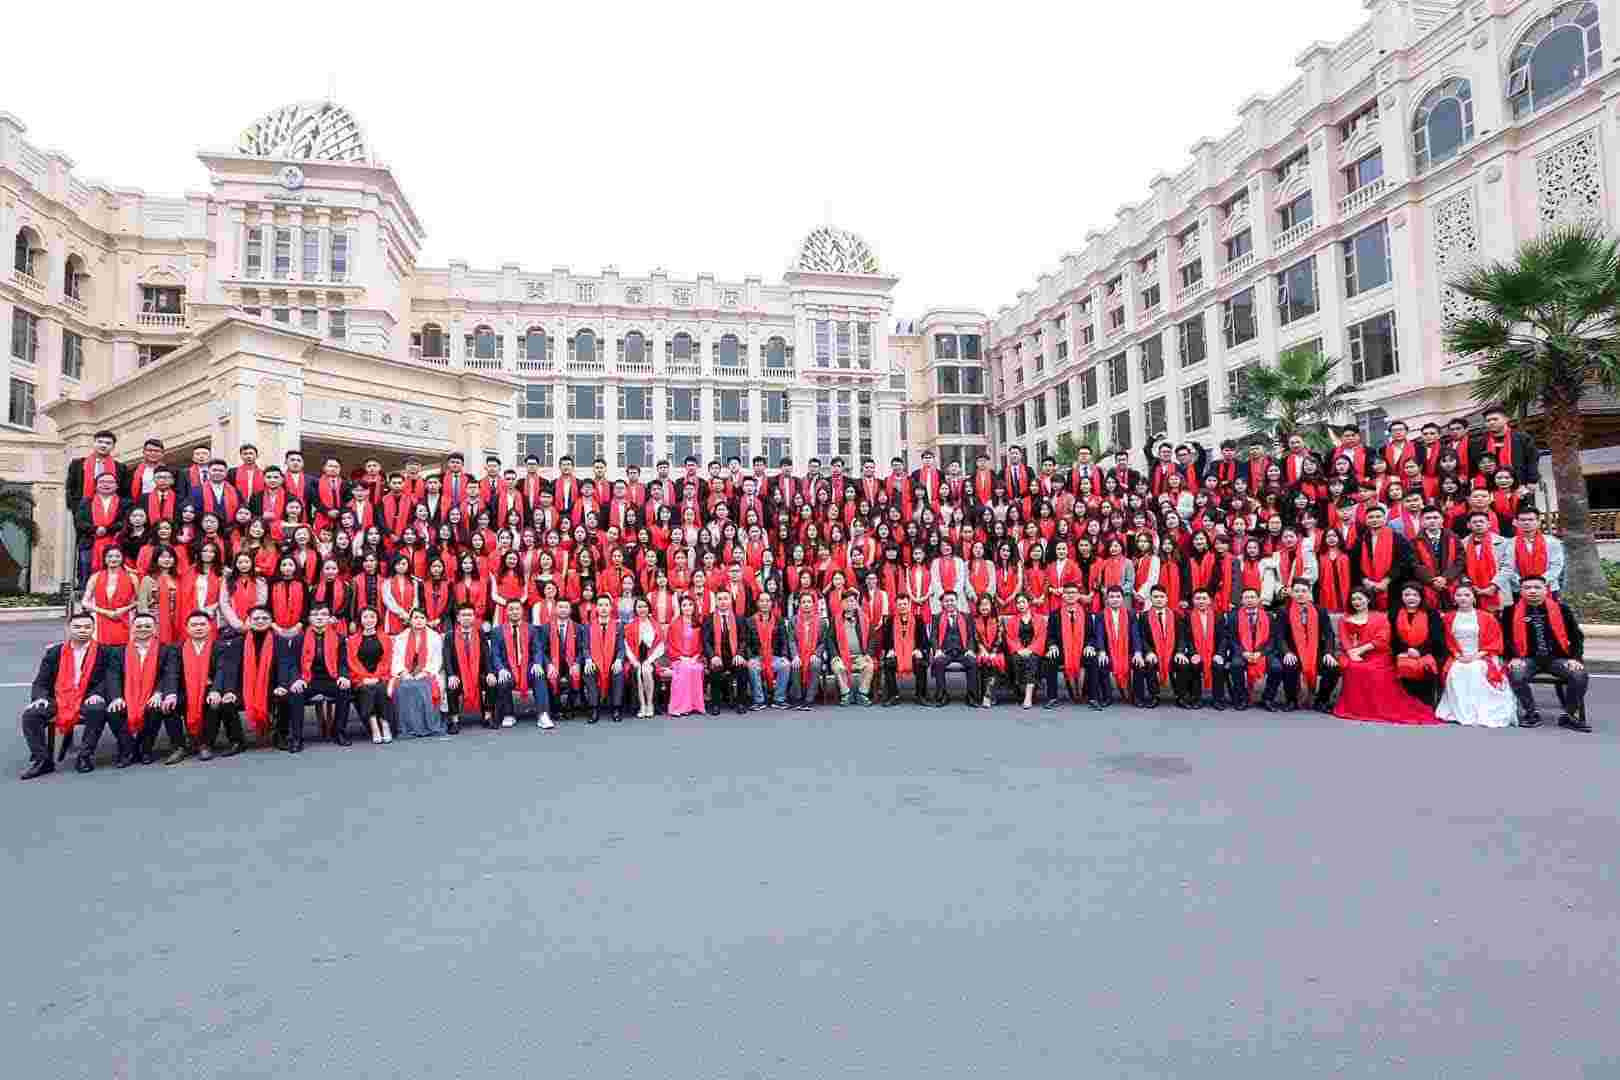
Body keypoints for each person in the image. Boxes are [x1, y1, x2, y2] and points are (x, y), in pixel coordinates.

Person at [18, 611, 122, 778]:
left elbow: (108, 678)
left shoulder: (105, 652)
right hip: (58, 697)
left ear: (93, 628)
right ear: (68, 628)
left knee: (97, 709)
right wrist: (40, 698)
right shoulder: (55, 652)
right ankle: (42, 760)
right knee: (31, 715)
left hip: (88, 696)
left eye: (87, 627)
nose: (82, 630)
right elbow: (41, 681)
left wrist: (98, 694)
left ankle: (85, 756)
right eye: (77, 627)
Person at [1333, 588, 1438, 725]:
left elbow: (1382, 639)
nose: (1356, 602)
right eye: (1353, 599)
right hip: (1351, 653)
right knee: (1352, 668)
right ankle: (1358, 708)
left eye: (1360, 598)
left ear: (1368, 599)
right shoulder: (1345, 619)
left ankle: (1377, 708)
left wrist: (1360, 650)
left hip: (1378, 654)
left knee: (1371, 670)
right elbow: (1344, 639)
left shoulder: (1380, 617)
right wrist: (1351, 652)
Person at [1504, 575, 1589, 732]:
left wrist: (1575, 658)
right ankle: (1531, 713)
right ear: (1521, 591)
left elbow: (1576, 637)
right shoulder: (1510, 611)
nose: (1532, 591)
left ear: (1546, 590)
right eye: (1527, 588)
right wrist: (1513, 657)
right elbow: (1506, 639)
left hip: (1557, 658)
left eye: (1537, 587)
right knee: (1516, 674)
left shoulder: (1562, 609)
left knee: (1579, 674)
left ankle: (1569, 715)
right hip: (1526, 658)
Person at [215, 605, 298, 749]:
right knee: (227, 701)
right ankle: (237, 741)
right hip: (244, 687)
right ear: (249, 621)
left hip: (271, 686)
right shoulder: (237, 642)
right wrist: (229, 691)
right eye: (256, 618)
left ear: (271, 621)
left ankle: (281, 735)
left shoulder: (280, 641)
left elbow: (286, 665)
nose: (260, 621)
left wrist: (282, 685)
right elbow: (231, 669)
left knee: (285, 696)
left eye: (265, 618)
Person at [1435, 583, 1516, 728]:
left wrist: (1477, 656)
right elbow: (1447, 641)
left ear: (1474, 598)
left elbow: (1495, 641)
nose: (1463, 598)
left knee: (1476, 669)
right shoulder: (1448, 618)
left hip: (1483, 654)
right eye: (1459, 595)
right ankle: (1460, 710)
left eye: (1467, 595)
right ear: (1454, 599)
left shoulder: (1487, 617)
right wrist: (1457, 655)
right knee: (1456, 671)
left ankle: (1481, 709)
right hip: (1458, 655)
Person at [112, 611, 185, 765]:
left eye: (147, 626)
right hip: (128, 694)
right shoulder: (119, 651)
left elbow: (169, 673)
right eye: (139, 626)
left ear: (155, 629)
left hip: (153, 693)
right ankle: (128, 750)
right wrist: (117, 697)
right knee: (115, 710)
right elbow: (113, 676)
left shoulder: (167, 650)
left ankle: (146, 749)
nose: (143, 629)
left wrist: (159, 693)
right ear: (132, 628)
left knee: (154, 708)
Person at [288, 603, 351, 745]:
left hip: (331, 678)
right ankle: (296, 737)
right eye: (315, 615)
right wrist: (296, 679)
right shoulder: (299, 639)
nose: (319, 618)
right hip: (308, 679)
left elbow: (343, 662)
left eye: (323, 614)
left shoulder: (339, 638)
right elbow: (293, 664)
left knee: (345, 689)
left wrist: (343, 676)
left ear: (329, 618)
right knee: (296, 692)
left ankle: (339, 732)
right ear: (309, 618)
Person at [389, 608, 445, 737]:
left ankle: (425, 726)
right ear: (410, 620)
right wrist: (403, 672)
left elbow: (437, 660)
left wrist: (425, 672)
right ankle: (407, 727)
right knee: (403, 687)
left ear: (426, 620)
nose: (419, 620)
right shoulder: (401, 637)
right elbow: (396, 658)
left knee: (422, 687)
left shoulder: (434, 637)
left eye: (422, 618)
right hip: (406, 673)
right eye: (415, 618)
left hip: (427, 672)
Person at [493, 598, 546, 728]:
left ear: (522, 611)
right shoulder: (498, 631)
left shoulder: (531, 629)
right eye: (511, 609)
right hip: (508, 668)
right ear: (506, 612)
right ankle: (508, 714)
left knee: (539, 675)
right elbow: (495, 654)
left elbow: (537, 650)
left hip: (527, 668)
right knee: (503, 679)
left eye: (517, 609)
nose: (514, 612)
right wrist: (501, 669)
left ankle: (543, 714)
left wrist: (537, 663)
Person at [444, 604, 498, 731]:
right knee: (451, 686)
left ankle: (488, 716)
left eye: (470, 615)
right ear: (458, 618)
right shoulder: (450, 635)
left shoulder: (480, 633)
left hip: (477, 673)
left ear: (474, 617)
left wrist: (490, 672)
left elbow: (486, 655)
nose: (467, 618)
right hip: (459, 674)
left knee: (491, 681)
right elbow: (447, 659)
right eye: (463, 615)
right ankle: (454, 720)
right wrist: (451, 675)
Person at [1390, 584, 1444, 707]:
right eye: (1407, 595)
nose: (1411, 598)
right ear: (1401, 597)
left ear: (1421, 597)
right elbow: (1392, 638)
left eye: (1415, 595)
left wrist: (1420, 651)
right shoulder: (1394, 613)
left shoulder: (1432, 614)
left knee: (1426, 667)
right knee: (1402, 665)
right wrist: (1405, 650)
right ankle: (1405, 704)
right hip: (1402, 652)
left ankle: (1425, 703)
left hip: (1427, 652)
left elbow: (1436, 638)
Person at [345, 606, 393, 743]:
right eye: (365, 617)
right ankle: (374, 727)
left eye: (372, 617)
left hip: (381, 676)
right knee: (366, 690)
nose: (369, 620)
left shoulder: (385, 638)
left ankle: (385, 725)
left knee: (380, 688)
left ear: (377, 619)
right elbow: (352, 663)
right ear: (360, 620)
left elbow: (387, 661)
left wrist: (377, 677)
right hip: (360, 678)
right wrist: (364, 678)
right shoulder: (352, 640)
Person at [1176, 588, 1228, 710]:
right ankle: (1196, 697)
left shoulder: (1218, 616)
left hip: (1215, 652)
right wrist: (1193, 653)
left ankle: (1218, 699)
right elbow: (1185, 638)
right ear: (1193, 601)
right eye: (1198, 598)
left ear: (1209, 600)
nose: (1201, 601)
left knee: (1218, 666)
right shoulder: (1187, 617)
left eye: (1204, 598)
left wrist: (1219, 654)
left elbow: (1223, 638)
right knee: (1195, 664)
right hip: (1195, 651)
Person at [927, 591, 979, 707]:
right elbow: (933, 637)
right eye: (946, 601)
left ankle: (971, 696)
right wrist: (937, 650)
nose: (949, 603)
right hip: (945, 652)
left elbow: (971, 636)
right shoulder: (937, 617)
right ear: (943, 603)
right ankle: (942, 695)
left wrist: (970, 649)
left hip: (962, 651)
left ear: (957, 601)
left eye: (952, 600)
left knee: (972, 662)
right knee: (938, 662)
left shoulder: (966, 616)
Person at [1131, 585, 1179, 708]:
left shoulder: (1175, 615)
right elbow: (1142, 637)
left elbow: (1181, 637)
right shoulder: (1144, 616)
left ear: (1167, 598)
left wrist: (1179, 652)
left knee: (1182, 663)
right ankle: (1154, 695)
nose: (1159, 599)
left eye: (1162, 597)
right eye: (1155, 597)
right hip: (1153, 651)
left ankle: (1181, 695)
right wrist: (1148, 652)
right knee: (1149, 663)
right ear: (1151, 599)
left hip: (1172, 652)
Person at [1006, 592, 1056, 709]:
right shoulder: (1012, 620)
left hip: (1035, 649)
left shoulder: (1040, 619)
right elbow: (1009, 637)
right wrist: (1019, 649)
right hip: (1018, 649)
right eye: (1018, 603)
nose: (1020, 605)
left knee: (1032, 660)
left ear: (1029, 603)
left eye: (1023, 602)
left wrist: (1031, 649)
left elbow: (1042, 637)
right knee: (1015, 659)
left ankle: (1028, 696)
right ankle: (1020, 691)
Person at [825, 590, 875, 706]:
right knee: (837, 666)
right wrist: (835, 655)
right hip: (842, 656)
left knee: (869, 665)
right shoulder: (835, 620)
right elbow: (829, 639)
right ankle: (846, 694)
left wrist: (868, 654)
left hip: (860, 656)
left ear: (856, 603)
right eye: (847, 601)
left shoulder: (864, 619)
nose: (850, 604)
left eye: (852, 601)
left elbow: (872, 638)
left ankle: (862, 693)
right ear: (842, 603)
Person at [879, 593, 930, 706]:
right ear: (896, 605)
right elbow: (885, 641)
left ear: (909, 604)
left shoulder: (918, 619)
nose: (902, 606)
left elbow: (925, 640)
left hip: (913, 651)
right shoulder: (890, 620)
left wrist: (918, 649)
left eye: (905, 604)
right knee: (888, 663)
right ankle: (894, 695)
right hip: (896, 652)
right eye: (900, 604)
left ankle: (920, 695)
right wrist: (890, 649)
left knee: (920, 663)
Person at [585, 594, 627, 723]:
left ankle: (616, 708)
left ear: (611, 608)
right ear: (596, 608)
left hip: (612, 661)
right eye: (600, 605)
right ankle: (594, 708)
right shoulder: (588, 626)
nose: (603, 608)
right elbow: (585, 647)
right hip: (595, 661)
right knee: (589, 671)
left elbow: (621, 648)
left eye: (606, 605)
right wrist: (588, 659)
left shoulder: (618, 626)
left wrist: (619, 660)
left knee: (618, 671)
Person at [748, 591, 794, 710]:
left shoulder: (778, 620)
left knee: (785, 665)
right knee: (752, 666)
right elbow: (746, 642)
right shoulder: (750, 621)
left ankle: (779, 699)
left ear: (771, 603)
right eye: (762, 601)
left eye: (767, 601)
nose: (764, 603)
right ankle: (759, 701)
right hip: (757, 656)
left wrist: (784, 656)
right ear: (757, 603)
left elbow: (784, 641)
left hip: (773, 656)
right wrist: (750, 658)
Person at [664, 594, 707, 717]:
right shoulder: (674, 625)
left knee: (697, 668)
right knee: (684, 668)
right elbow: (670, 645)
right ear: (680, 608)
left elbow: (701, 645)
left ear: (694, 607)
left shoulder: (698, 624)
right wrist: (682, 657)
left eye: (690, 605)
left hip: (695, 658)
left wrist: (695, 657)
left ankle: (695, 705)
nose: (687, 608)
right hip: (678, 658)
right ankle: (679, 707)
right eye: (684, 605)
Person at [625, 595, 666, 718]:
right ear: (635, 609)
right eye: (639, 607)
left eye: (644, 606)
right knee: (638, 672)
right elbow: (627, 646)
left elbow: (660, 646)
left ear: (649, 608)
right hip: (636, 658)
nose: (642, 609)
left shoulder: (655, 625)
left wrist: (649, 660)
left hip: (651, 658)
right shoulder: (630, 626)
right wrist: (634, 661)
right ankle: (642, 705)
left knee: (647, 671)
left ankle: (650, 703)